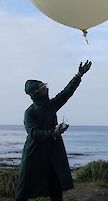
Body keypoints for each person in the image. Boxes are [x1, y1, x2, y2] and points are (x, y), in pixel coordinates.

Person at [15, 60, 92, 201]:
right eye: (43, 87)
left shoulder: (51, 105)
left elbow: (66, 93)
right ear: (36, 93)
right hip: (34, 153)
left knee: (56, 185)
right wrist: (54, 132)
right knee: (24, 188)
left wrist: (79, 75)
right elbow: (33, 133)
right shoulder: (30, 112)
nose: (46, 88)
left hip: (53, 151)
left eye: (45, 85)